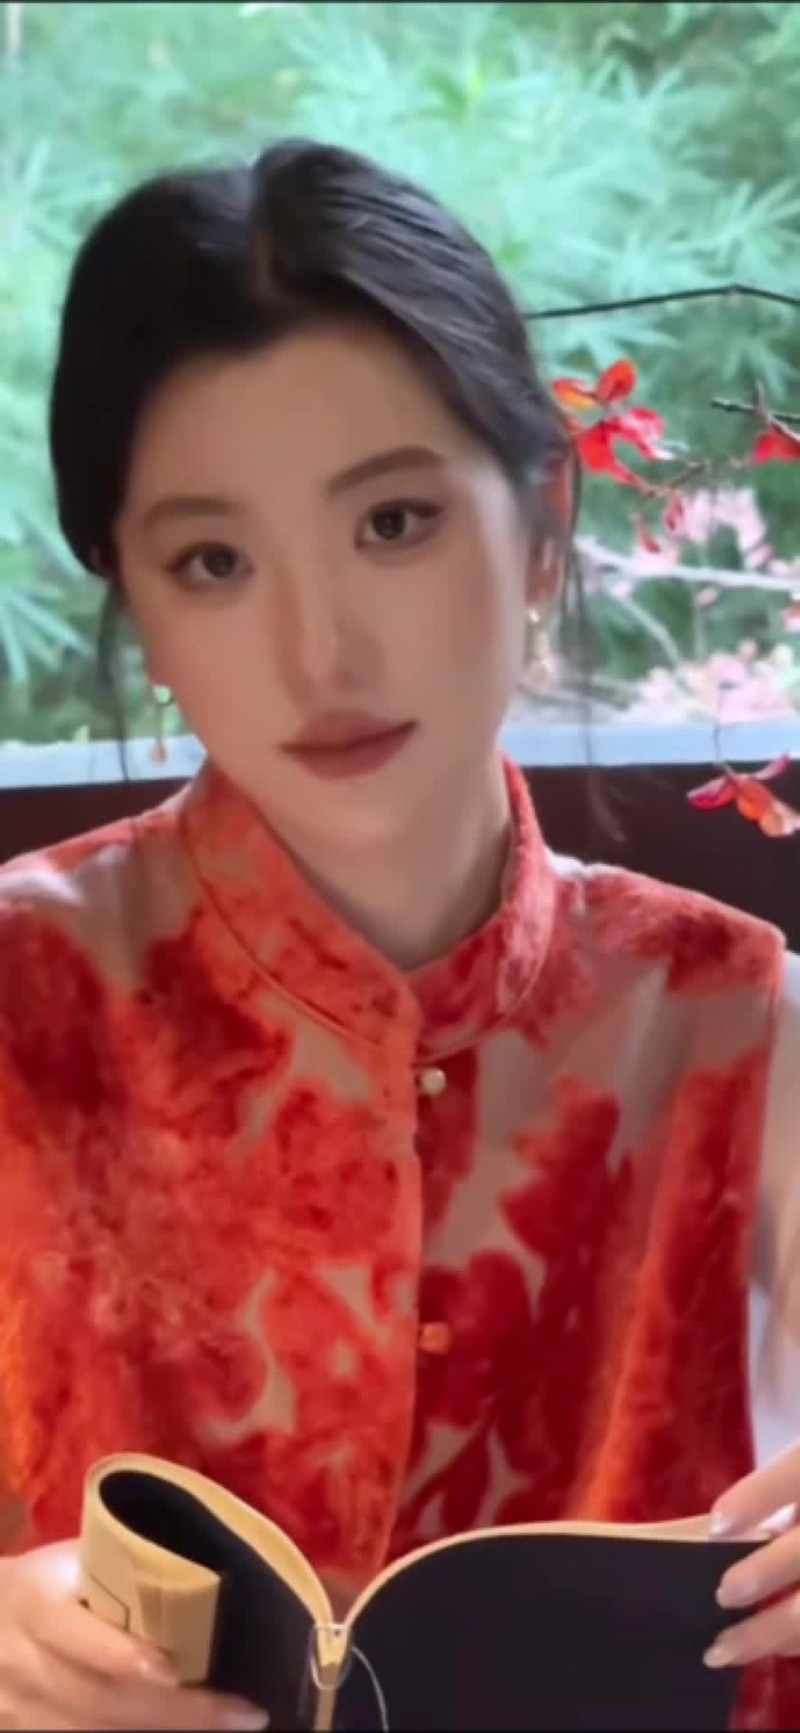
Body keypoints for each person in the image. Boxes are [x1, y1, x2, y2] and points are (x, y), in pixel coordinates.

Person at [0, 136, 799, 1733]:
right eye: (213, 561)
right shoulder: (23, 994)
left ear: (545, 523)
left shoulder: (740, 1017)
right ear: (138, 604)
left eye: (394, 522)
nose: (320, 651)